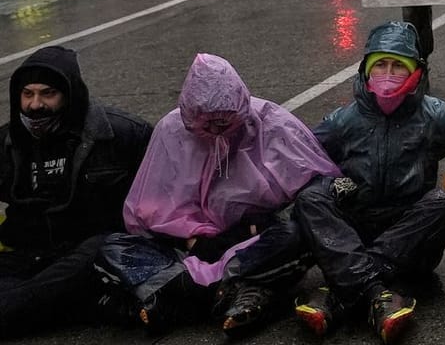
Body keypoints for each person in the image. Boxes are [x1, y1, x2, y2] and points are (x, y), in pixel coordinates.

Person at [99, 54, 340, 335]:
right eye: (206, 124)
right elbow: (146, 208)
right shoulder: (171, 130)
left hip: (254, 240)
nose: (216, 132)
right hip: (186, 249)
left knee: (297, 235)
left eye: (225, 123)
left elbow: (315, 190)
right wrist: (190, 240)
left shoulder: (271, 123)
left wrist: (250, 228)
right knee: (113, 246)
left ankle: (178, 295)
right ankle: (232, 290)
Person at [291, 22, 445, 342]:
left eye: (398, 66)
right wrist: (335, 185)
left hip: (410, 235)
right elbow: (299, 163)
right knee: (309, 198)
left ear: (415, 72)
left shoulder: (437, 116)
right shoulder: (343, 120)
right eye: (381, 65)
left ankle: (340, 289)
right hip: (356, 227)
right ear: (366, 71)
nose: (388, 74)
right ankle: (378, 293)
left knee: (442, 204)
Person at [0, 47, 152, 339]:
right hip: (28, 254)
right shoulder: (8, 140)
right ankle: (75, 306)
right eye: (27, 94)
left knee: (101, 250)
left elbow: (160, 201)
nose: (35, 105)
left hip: (90, 253)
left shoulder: (121, 133)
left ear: (69, 95)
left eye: (47, 94)